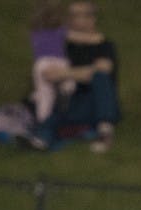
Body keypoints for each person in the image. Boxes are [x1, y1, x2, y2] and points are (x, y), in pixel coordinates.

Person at [31, 1, 121, 152]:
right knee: (59, 110)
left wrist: (67, 73)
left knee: (100, 78)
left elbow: (103, 69)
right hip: (71, 100)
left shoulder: (105, 45)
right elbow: (49, 72)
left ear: (93, 19)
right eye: (73, 16)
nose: (78, 21)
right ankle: (42, 139)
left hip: (98, 101)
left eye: (84, 16)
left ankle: (105, 130)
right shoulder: (63, 45)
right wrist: (85, 72)